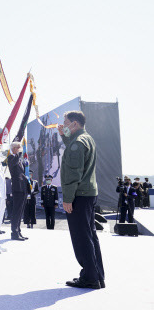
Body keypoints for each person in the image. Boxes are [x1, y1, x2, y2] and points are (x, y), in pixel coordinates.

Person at [59, 110, 105, 289]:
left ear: (75, 124)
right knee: (90, 236)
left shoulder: (77, 143)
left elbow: (72, 173)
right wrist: (64, 136)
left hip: (79, 195)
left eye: (66, 122)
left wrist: (68, 198)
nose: (63, 125)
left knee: (81, 238)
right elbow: (75, 152)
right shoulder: (86, 138)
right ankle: (97, 276)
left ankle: (89, 278)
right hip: (89, 193)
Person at [7, 142, 29, 241]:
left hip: (22, 187)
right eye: (18, 147)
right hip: (17, 187)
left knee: (20, 211)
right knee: (16, 211)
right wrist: (19, 154)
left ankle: (18, 231)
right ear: (13, 148)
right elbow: (13, 164)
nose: (20, 149)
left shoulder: (18, 159)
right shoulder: (11, 157)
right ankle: (14, 232)